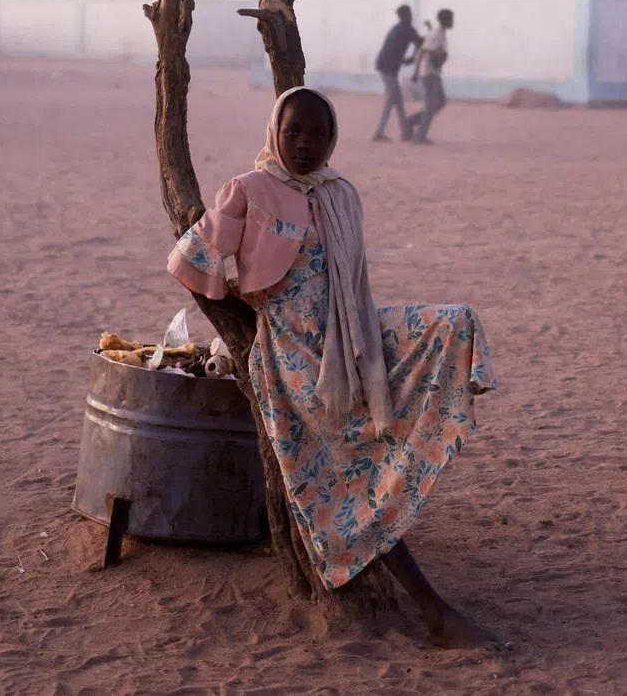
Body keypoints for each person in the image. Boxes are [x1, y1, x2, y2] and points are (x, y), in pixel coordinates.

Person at [168, 87, 496, 644]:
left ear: (332, 138)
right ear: (276, 129)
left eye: (318, 134)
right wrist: (242, 307)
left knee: (453, 322)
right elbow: (188, 260)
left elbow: (356, 282)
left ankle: (447, 404)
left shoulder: (340, 192)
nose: (305, 144)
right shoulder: (248, 191)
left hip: (353, 334)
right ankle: (433, 611)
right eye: (294, 131)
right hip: (294, 355)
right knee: (353, 471)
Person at [372, 5, 422, 142]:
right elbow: (420, 43)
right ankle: (380, 132)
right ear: (406, 16)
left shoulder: (397, 28)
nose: (411, 17)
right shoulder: (407, 29)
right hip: (388, 68)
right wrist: (411, 59)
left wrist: (410, 58)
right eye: (409, 14)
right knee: (391, 100)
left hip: (385, 66)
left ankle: (405, 131)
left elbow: (415, 44)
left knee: (397, 100)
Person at [407, 8, 454, 145]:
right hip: (428, 73)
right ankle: (420, 137)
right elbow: (422, 51)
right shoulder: (437, 34)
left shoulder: (440, 33)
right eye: (451, 19)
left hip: (434, 73)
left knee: (440, 102)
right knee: (431, 105)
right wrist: (416, 73)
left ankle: (410, 121)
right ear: (445, 20)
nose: (453, 21)